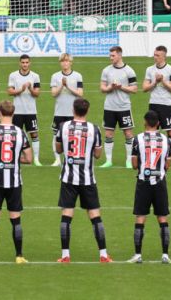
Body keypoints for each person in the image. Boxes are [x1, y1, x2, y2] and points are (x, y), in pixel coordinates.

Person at [55, 98, 110, 263]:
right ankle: (103, 254)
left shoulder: (63, 126)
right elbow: (98, 155)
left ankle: (65, 255)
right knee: (94, 215)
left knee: (66, 215)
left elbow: (58, 149)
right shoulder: (94, 129)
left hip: (68, 178)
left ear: (73, 110)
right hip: (87, 179)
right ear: (87, 111)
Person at [0, 100, 32, 264]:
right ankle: (19, 256)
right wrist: (16, 160)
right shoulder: (20, 132)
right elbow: (29, 158)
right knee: (15, 219)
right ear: (13, 113)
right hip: (15, 182)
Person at [128, 110, 171, 264]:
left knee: (140, 217)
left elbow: (134, 164)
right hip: (160, 183)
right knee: (162, 218)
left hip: (143, 182)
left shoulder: (137, 139)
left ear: (145, 122)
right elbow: (167, 164)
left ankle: (138, 254)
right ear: (158, 123)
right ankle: (165, 254)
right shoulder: (166, 140)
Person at [142, 45, 171, 169]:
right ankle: (153, 158)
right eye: (154, 55)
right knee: (152, 132)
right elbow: (144, 88)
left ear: (164, 56)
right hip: (153, 104)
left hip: (166, 104)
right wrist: (155, 82)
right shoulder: (149, 70)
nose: (155, 57)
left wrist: (163, 81)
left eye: (157, 55)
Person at [99, 46, 138, 168]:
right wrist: (111, 87)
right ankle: (108, 161)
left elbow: (134, 89)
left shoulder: (129, 71)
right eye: (110, 55)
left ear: (120, 55)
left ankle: (128, 161)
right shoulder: (106, 70)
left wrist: (121, 87)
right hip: (109, 107)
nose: (111, 58)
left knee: (128, 134)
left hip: (124, 107)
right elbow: (102, 88)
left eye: (113, 55)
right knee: (108, 134)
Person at [49, 53, 84, 166]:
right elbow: (53, 94)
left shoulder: (78, 76)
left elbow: (80, 93)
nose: (65, 63)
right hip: (59, 112)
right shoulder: (55, 76)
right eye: (63, 61)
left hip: (72, 112)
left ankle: (69, 157)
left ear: (71, 62)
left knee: (72, 136)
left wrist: (68, 86)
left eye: (67, 61)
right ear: (60, 63)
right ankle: (57, 159)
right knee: (56, 135)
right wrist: (61, 86)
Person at [7, 54, 42, 166]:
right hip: (17, 111)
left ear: (29, 63)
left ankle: (36, 159)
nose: (25, 64)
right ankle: (17, 156)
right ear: (19, 63)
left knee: (34, 134)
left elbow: (37, 94)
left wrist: (30, 88)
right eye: (23, 62)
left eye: (27, 62)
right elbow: (10, 92)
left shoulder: (35, 76)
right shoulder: (13, 75)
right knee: (16, 135)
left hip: (31, 111)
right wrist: (21, 89)